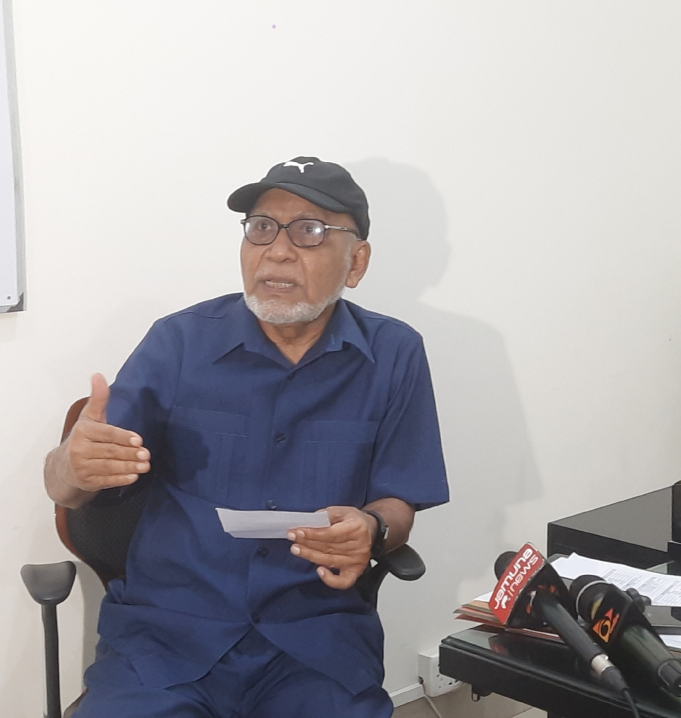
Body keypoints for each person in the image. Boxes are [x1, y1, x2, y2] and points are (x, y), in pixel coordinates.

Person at [43, 157, 449, 717]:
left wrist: (373, 528)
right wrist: (70, 466)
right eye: (261, 227)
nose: (276, 251)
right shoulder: (178, 343)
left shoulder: (394, 354)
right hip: (167, 638)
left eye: (309, 231)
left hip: (316, 643)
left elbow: (399, 500)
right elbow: (70, 485)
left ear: (356, 261)